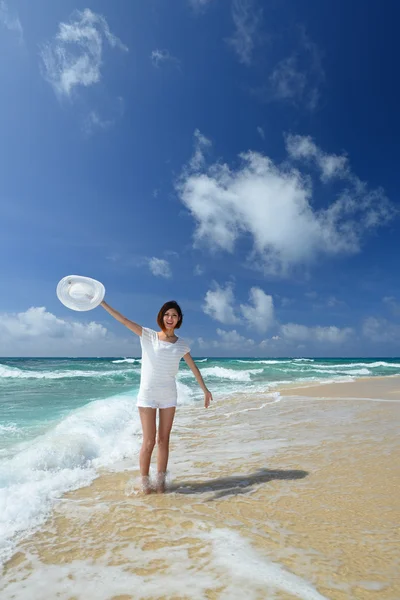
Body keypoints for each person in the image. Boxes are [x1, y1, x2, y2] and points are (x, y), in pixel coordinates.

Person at [100, 299, 212, 493]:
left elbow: (193, 367)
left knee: (163, 440)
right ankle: (144, 484)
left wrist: (205, 390)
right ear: (161, 317)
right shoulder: (148, 336)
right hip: (147, 395)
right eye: (167, 314)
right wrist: (102, 302)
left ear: (179, 320)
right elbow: (124, 321)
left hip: (168, 395)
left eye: (174, 315)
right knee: (149, 441)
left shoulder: (181, 344)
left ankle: (160, 483)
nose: (170, 318)